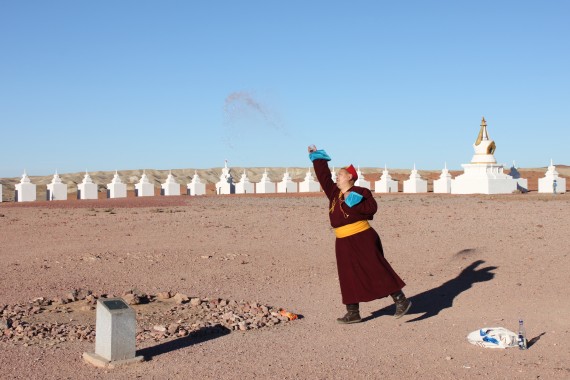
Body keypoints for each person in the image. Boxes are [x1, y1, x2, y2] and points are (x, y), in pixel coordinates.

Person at [308, 145, 411, 324]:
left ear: (350, 177)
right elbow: (324, 176)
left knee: (375, 268)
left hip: (362, 236)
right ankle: (353, 312)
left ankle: (401, 300)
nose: (336, 177)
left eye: (339, 175)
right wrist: (317, 158)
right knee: (347, 274)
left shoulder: (361, 192)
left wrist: (352, 200)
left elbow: (372, 209)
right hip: (342, 240)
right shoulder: (333, 193)